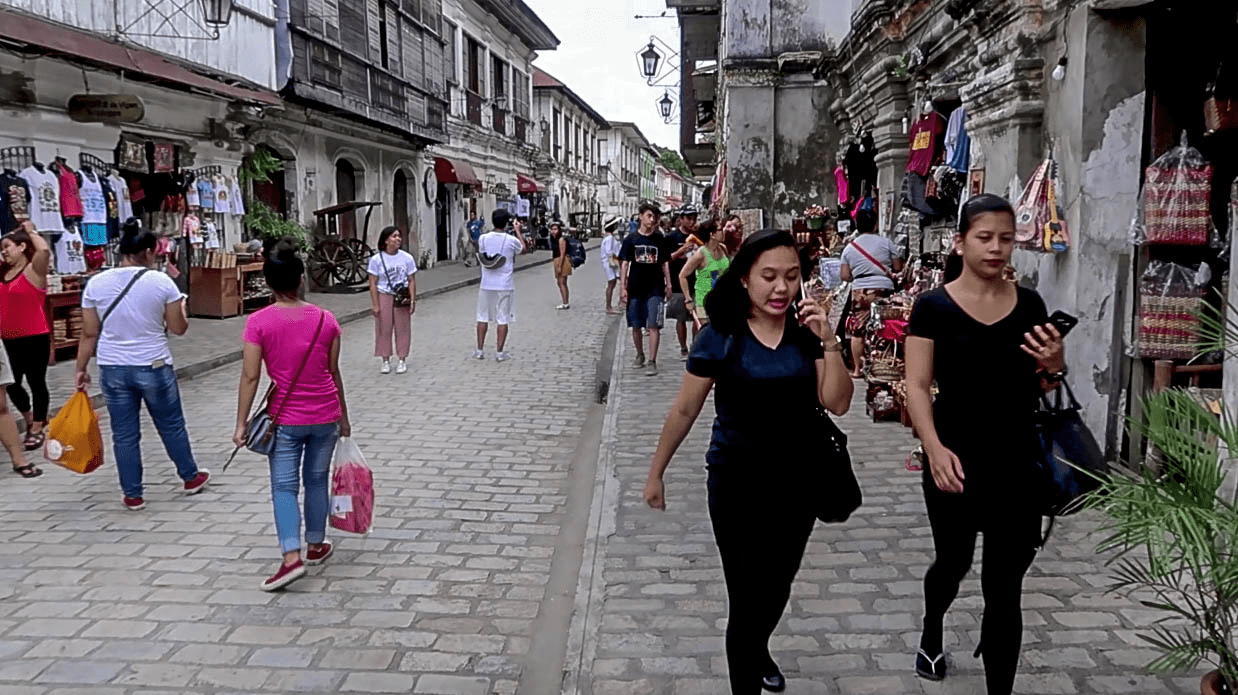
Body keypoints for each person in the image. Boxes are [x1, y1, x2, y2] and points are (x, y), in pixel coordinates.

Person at [643, 229, 854, 695]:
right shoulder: (720, 337)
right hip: (735, 482)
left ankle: (757, 647)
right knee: (745, 598)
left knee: (777, 587)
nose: (782, 288)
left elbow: (837, 403)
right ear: (744, 280)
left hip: (798, 484)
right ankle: (748, 672)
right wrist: (656, 473)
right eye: (770, 277)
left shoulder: (806, 336)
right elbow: (685, 409)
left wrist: (831, 341)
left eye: (792, 277)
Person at [904, 194, 1066, 694]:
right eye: (985, 237)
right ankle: (933, 628)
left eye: (1006, 238)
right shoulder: (932, 307)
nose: (997, 248)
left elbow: (1046, 382)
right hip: (953, 459)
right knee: (952, 564)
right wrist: (933, 448)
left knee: (1005, 590)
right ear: (960, 241)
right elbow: (915, 385)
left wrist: (1055, 362)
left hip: (1017, 463)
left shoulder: (1032, 305)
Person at [234, 238, 350, 591]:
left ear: (268, 283)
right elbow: (333, 372)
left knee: (284, 487)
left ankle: (290, 557)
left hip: (286, 419)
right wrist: (344, 416)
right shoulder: (326, 320)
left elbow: (251, 375)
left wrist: (240, 423)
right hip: (326, 415)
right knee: (316, 479)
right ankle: (316, 543)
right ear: (301, 280)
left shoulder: (258, 322)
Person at [76, 218, 210, 510]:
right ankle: (189, 476)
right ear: (149, 251)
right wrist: (182, 309)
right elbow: (178, 329)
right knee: (171, 425)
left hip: (112, 367)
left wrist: (80, 368)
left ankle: (133, 493)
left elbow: (89, 332)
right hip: (154, 364)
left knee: (124, 433)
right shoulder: (162, 282)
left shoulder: (95, 283)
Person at [1, 222, 53, 451]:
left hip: (34, 336)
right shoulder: (2, 273)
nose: (3, 252)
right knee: (11, 384)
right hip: (7, 339)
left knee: (36, 382)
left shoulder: (34, 270)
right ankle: (30, 416)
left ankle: (38, 427)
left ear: (22, 247)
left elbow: (43, 251)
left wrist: (31, 231)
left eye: (7, 247)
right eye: (1, 248)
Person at [840, 208, 904, 378]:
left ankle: (857, 370)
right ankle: (884, 367)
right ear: (876, 225)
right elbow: (898, 267)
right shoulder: (886, 242)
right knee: (884, 327)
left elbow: (845, 276)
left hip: (860, 290)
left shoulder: (849, 248)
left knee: (858, 330)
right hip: (883, 288)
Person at [619, 202, 671, 376]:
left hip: (655, 287)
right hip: (635, 286)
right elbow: (625, 263)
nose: (652, 220)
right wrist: (623, 287)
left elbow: (664, 263)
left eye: (654, 217)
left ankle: (652, 360)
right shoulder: (631, 239)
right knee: (635, 324)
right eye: (649, 216)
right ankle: (639, 354)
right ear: (640, 216)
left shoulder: (659, 239)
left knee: (653, 324)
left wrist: (668, 284)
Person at [475, 209, 524, 362]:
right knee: (502, 318)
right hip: (504, 285)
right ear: (507, 222)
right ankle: (499, 352)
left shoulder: (483, 238)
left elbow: (483, 253)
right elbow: (523, 249)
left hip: (486, 283)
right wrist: (517, 231)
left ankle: (479, 350)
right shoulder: (511, 240)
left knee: (482, 317)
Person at [368, 226, 417, 375]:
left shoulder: (407, 258)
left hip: (401, 296)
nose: (398, 239)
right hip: (384, 295)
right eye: (394, 236)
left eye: (399, 236)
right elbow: (372, 283)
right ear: (386, 240)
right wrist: (375, 305)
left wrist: (413, 300)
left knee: (403, 328)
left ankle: (402, 359)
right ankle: (385, 360)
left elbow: (411, 280)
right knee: (384, 328)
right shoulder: (376, 259)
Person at [678, 220, 729, 330]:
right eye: (720, 229)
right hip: (704, 301)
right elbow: (682, 275)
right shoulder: (701, 254)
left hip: (723, 301)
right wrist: (688, 298)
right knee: (708, 333)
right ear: (712, 234)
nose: (724, 231)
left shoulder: (723, 249)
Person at [665, 205, 700, 360]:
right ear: (681, 219)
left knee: (697, 316)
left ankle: (695, 345)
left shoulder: (698, 235)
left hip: (697, 280)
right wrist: (682, 250)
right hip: (678, 280)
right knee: (681, 317)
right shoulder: (672, 237)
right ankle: (683, 347)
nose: (692, 221)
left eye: (694, 218)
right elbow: (666, 259)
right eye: (689, 218)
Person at [601, 218, 623, 314]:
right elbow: (609, 252)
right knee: (611, 283)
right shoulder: (610, 239)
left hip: (611, 263)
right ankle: (609, 306)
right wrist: (618, 258)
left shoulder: (610, 237)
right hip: (610, 263)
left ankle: (617, 303)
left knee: (614, 283)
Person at [549, 220, 572, 310]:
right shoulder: (553, 239)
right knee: (560, 283)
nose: (553, 231)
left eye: (555, 229)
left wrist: (559, 266)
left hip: (562, 261)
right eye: (552, 229)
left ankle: (565, 303)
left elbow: (562, 253)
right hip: (557, 260)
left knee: (562, 282)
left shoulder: (561, 239)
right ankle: (565, 301)